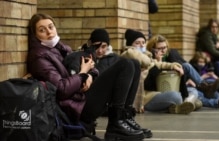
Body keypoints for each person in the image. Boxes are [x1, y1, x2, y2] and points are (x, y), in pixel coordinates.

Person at [27, 13, 145, 141]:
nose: (49, 32)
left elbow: (89, 65)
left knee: (134, 63)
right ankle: (116, 123)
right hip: (74, 109)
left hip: (81, 97)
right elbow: (61, 89)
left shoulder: (62, 48)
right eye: (42, 30)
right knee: (125, 64)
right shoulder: (39, 57)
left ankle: (125, 117)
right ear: (35, 35)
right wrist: (82, 74)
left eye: (51, 27)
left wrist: (89, 75)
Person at [122, 29, 203, 114]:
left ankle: (181, 105)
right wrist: (154, 60)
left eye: (143, 42)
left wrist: (173, 65)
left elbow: (160, 64)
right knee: (176, 96)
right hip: (144, 97)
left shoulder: (148, 55)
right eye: (137, 43)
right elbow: (148, 63)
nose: (141, 45)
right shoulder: (129, 53)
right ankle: (185, 103)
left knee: (192, 91)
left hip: (158, 91)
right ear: (130, 45)